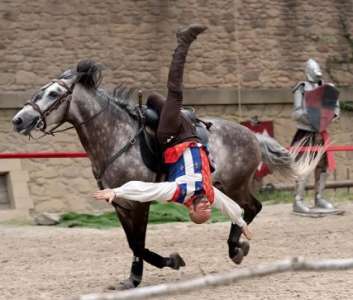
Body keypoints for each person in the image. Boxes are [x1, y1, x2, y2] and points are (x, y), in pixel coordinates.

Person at [93, 24, 252, 240]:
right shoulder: (209, 193)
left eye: (202, 209)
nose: (206, 205)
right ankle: (153, 102)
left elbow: (145, 190)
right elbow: (229, 206)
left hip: (172, 136)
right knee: (157, 100)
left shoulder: (178, 191)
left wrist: (117, 192)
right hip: (192, 136)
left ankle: (183, 43)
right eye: (208, 209)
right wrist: (241, 223)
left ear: (190, 210)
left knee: (175, 94)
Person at [291, 58, 340, 213]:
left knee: (323, 166)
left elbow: (335, 107)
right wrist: (313, 119)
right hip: (306, 132)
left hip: (322, 132)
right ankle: (298, 200)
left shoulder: (327, 88)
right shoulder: (302, 88)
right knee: (304, 167)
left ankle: (319, 197)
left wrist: (330, 116)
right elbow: (297, 112)